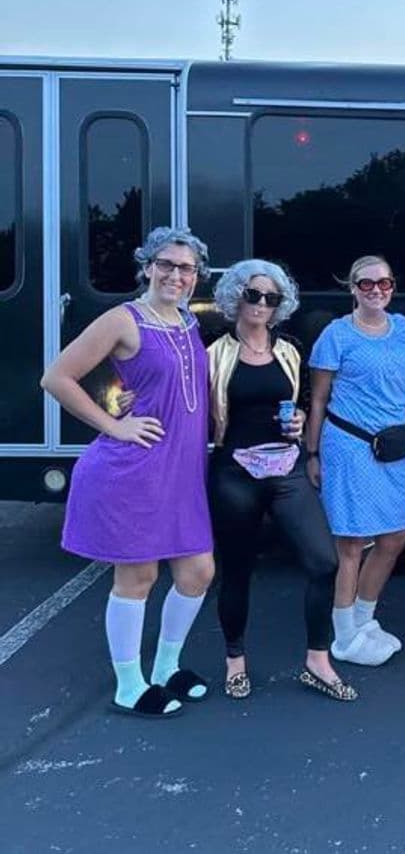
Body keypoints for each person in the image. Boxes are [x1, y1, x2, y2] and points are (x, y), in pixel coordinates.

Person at [42, 226, 214, 718]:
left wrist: (118, 397)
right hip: (133, 470)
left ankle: (166, 668)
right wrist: (115, 425)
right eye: (166, 264)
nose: (175, 275)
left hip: (181, 474)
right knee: (137, 577)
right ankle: (129, 683)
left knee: (199, 572)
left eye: (185, 268)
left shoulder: (185, 323)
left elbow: (151, 383)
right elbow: (56, 377)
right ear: (147, 267)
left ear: (195, 276)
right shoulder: (123, 320)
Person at [206, 260, 356, 702]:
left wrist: (300, 424)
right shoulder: (212, 352)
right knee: (237, 571)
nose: (262, 304)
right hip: (234, 471)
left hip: (285, 468)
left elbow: (306, 403)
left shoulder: (288, 348)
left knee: (323, 561)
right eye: (254, 294)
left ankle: (317, 661)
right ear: (237, 296)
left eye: (271, 298)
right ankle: (235, 660)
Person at [305, 255, 405, 666]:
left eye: (385, 283)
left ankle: (362, 617)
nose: (376, 290)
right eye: (366, 284)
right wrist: (312, 452)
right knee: (352, 544)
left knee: (395, 538)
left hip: (395, 450)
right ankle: (342, 637)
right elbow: (319, 399)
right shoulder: (336, 335)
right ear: (352, 288)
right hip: (349, 447)